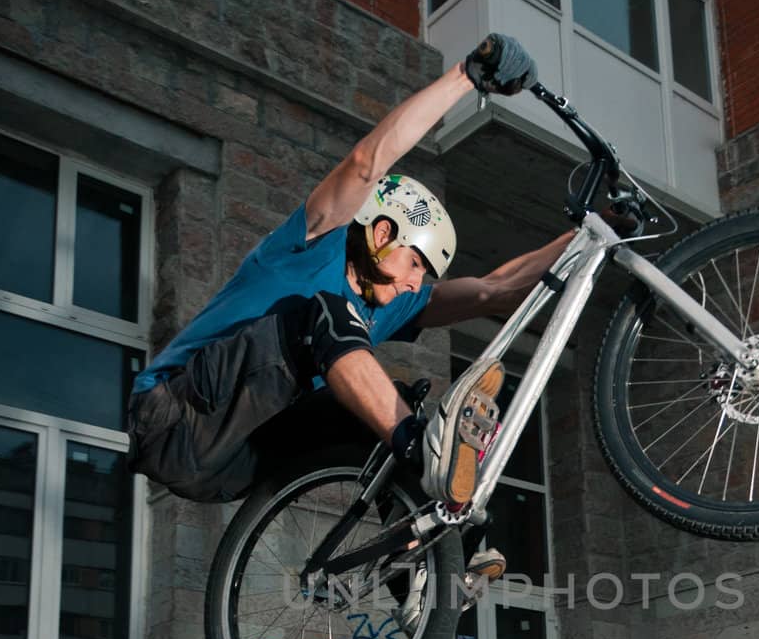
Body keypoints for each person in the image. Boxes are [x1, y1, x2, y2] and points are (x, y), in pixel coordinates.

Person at [127, 35, 570, 602]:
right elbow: (368, 162)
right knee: (327, 319)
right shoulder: (315, 240)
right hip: (173, 416)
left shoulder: (394, 304)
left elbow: (493, 291)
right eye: (415, 264)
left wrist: (592, 232)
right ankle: (421, 455)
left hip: (232, 463)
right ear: (382, 234)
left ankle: (423, 557)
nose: (417, 283)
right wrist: (467, 76)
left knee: (394, 400)